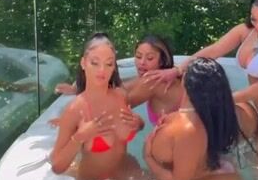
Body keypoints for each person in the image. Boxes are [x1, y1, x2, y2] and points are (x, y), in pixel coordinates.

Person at [146, 0, 258, 164]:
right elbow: (214, 50)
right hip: (257, 108)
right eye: (254, 19)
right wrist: (178, 70)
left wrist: (227, 99)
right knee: (246, 159)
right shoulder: (245, 31)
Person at [50, 33, 144, 180]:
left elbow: (138, 126)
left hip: (127, 176)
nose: (102, 70)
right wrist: (79, 137)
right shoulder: (75, 109)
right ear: (83, 63)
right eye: (95, 63)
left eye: (109, 64)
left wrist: (138, 123)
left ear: (114, 67)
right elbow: (56, 166)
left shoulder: (120, 96)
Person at [143, 57, 241, 180]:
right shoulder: (201, 118)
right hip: (206, 176)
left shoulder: (188, 129)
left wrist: (148, 158)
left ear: (185, 82)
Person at [55, 34, 183, 125]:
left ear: (162, 61)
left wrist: (70, 119)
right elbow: (121, 88)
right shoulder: (150, 78)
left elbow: (114, 106)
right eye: (138, 56)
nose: (142, 62)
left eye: (149, 58)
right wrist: (79, 89)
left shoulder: (154, 81)